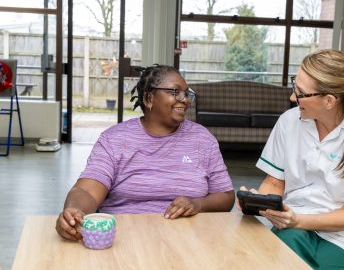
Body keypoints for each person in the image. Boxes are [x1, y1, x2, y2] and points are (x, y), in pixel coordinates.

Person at [240, 49, 344, 270]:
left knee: (277, 267)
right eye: (294, 86)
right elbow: (274, 182)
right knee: (266, 258)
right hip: (296, 227)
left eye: (300, 92)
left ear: (329, 100)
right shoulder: (288, 122)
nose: (292, 98)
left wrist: (297, 220)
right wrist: (259, 203)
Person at [56, 64, 235, 241]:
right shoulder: (115, 139)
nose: (185, 99)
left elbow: (226, 196)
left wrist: (198, 204)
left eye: (187, 94)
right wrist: (74, 212)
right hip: (126, 239)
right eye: (175, 92)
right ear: (149, 98)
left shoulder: (202, 139)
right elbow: (86, 191)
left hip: (188, 239)